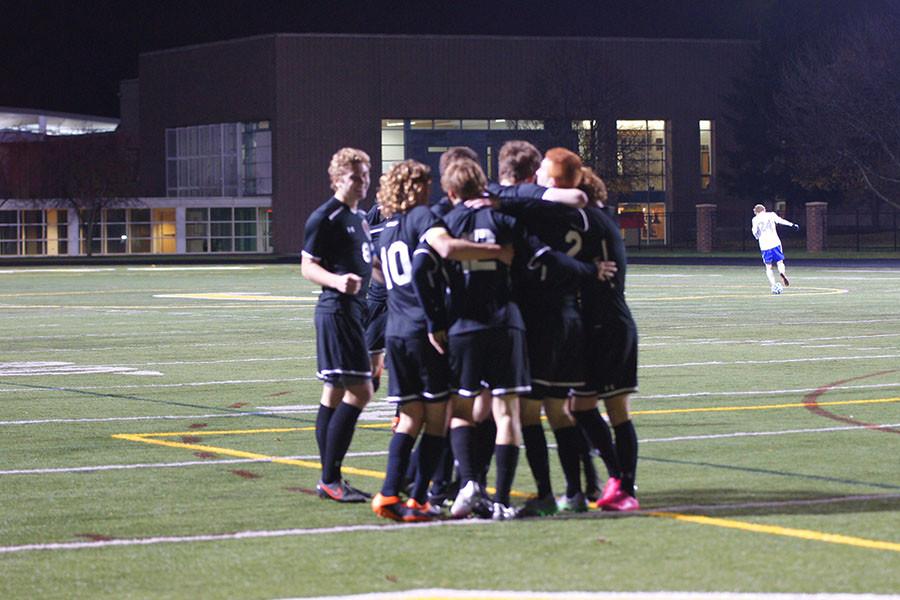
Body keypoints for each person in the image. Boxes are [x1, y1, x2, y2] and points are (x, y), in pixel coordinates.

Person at [369, 159, 510, 521]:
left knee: (409, 417)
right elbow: (444, 249)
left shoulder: (386, 230)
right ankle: (418, 499)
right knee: (438, 417)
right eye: (424, 183)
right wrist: (497, 253)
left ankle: (389, 494)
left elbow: (381, 277)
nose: (429, 190)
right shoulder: (419, 218)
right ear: (413, 187)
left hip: (396, 330)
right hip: (421, 332)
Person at [486, 141, 612, 516]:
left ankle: (545, 492)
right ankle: (582, 485)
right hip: (568, 314)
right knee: (560, 410)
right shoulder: (578, 211)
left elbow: (544, 251)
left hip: (538, 318)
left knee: (528, 413)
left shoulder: (526, 205)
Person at [537, 149, 640, 512]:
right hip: (592, 326)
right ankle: (612, 477)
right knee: (579, 406)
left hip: (609, 324)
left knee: (617, 409)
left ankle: (625, 485)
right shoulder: (592, 221)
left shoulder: (587, 220)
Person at [301, 147, 376, 503]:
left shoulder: (359, 217)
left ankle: (331, 479)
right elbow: (307, 267)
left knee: (333, 392)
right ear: (337, 179)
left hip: (355, 312)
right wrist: (335, 281)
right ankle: (330, 479)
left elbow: (366, 264)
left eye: (365, 176)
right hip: (337, 311)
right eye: (355, 177)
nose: (363, 183)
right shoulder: (325, 217)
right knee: (362, 391)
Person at [751, 203, 799, 295]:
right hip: (775, 242)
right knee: (780, 262)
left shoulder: (755, 219)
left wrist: (758, 237)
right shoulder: (771, 215)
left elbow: (755, 232)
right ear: (764, 209)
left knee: (768, 267)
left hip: (764, 245)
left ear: (756, 212)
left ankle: (773, 285)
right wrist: (792, 225)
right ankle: (782, 273)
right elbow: (781, 221)